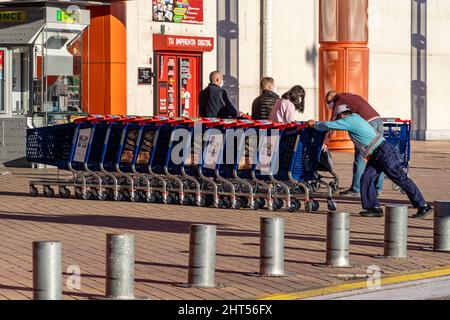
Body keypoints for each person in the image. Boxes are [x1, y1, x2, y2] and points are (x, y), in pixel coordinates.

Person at [307, 105, 433, 219]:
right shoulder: (355, 117)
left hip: (383, 153)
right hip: (377, 154)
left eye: (338, 117)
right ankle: (373, 208)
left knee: (400, 179)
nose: (337, 120)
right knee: (366, 178)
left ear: (341, 115)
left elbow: (330, 125)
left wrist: (315, 124)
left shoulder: (350, 120)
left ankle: (423, 206)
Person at [324, 91, 385, 197]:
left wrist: (325, 142)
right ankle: (378, 188)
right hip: (378, 120)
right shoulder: (352, 96)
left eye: (329, 104)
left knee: (360, 157)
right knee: (378, 155)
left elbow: (333, 124)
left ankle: (356, 189)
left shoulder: (339, 102)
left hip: (367, 123)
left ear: (332, 100)